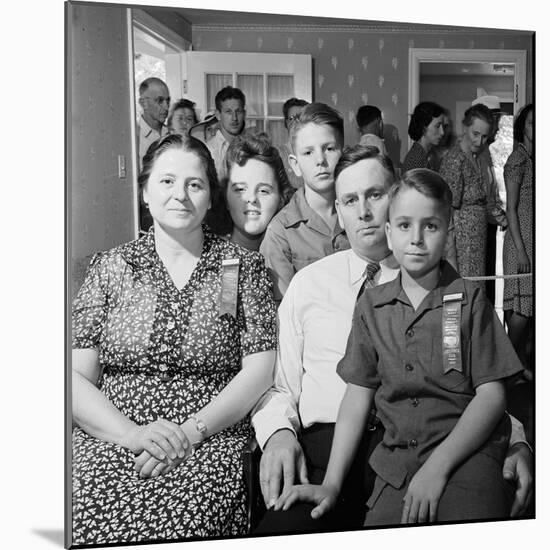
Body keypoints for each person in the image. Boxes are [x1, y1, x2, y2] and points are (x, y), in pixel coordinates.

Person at [251, 145, 533, 536]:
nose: (363, 211)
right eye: (350, 200)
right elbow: (286, 383)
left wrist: (519, 442)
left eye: (374, 195)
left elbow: (483, 389)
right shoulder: (312, 285)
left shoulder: (459, 294)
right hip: (338, 453)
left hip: (422, 447)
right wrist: (278, 434)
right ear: (339, 210)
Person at [71, 134, 277, 545]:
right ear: (145, 192)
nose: (179, 195)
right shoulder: (110, 268)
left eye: (194, 184)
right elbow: (74, 378)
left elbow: (259, 371)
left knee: (183, 528)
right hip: (112, 439)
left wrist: (190, 432)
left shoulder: (239, 267)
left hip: (207, 442)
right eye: (166, 181)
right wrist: (131, 435)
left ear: (209, 198)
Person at [260, 102, 350, 301]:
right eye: (308, 152)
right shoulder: (280, 232)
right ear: (295, 164)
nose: (320, 160)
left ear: (343, 154)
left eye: (329, 148)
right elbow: (283, 313)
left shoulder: (360, 216)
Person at [209, 133, 294, 251]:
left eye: (263, 191)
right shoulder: (208, 257)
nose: (252, 198)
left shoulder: (295, 257)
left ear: (281, 198)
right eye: (240, 189)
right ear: (225, 197)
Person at [439, 104, 494, 278]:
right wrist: (450, 255)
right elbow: (446, 210)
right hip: (462, 243)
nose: (480, 141)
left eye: (485, 136)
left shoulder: (478, 157)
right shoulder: (455, 160)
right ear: (465, 127)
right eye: (475, 134)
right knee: (464, 291)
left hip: (477, 239)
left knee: (476, 291)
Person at [503, 104, 534, 377]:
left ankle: (520, 363)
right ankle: (509, 364)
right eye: (532, 123)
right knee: (522, 306)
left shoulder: (533, 159)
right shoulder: (517, 160)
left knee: (529, 305)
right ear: (522, 127)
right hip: (519, 240)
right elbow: (510, 207)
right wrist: (522, 251)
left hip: (532, 239)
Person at [472, 95, 508, 304]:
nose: (496, 126)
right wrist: (505, 218)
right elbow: (482, 198)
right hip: (479, 229)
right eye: (493, 120)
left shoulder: (486, 152)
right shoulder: (476, 154)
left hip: (488, 227)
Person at [207, 86, 247, 181]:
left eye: (238, 111)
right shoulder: (209, 150)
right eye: (228, 112)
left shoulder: (250, 147)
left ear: (244, 114)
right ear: (218, 115)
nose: (234, 118)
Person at [402, 101, 445, 172]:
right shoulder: (416, 160)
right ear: (424, 127)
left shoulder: (427, 155)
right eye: (437, 126)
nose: (442, 132)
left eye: (443, 126)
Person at [277, 98, 309, 190]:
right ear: (286, 123)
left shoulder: (315, 154)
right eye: (292, 118)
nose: (296, 123)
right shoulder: (278, 154)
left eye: (300, 118)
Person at [138, 77, 170, 164]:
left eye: (168, 101)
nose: (166, 107)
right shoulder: (134, 137)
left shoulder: (172, 133)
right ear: (143, 103)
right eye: (160, 101)